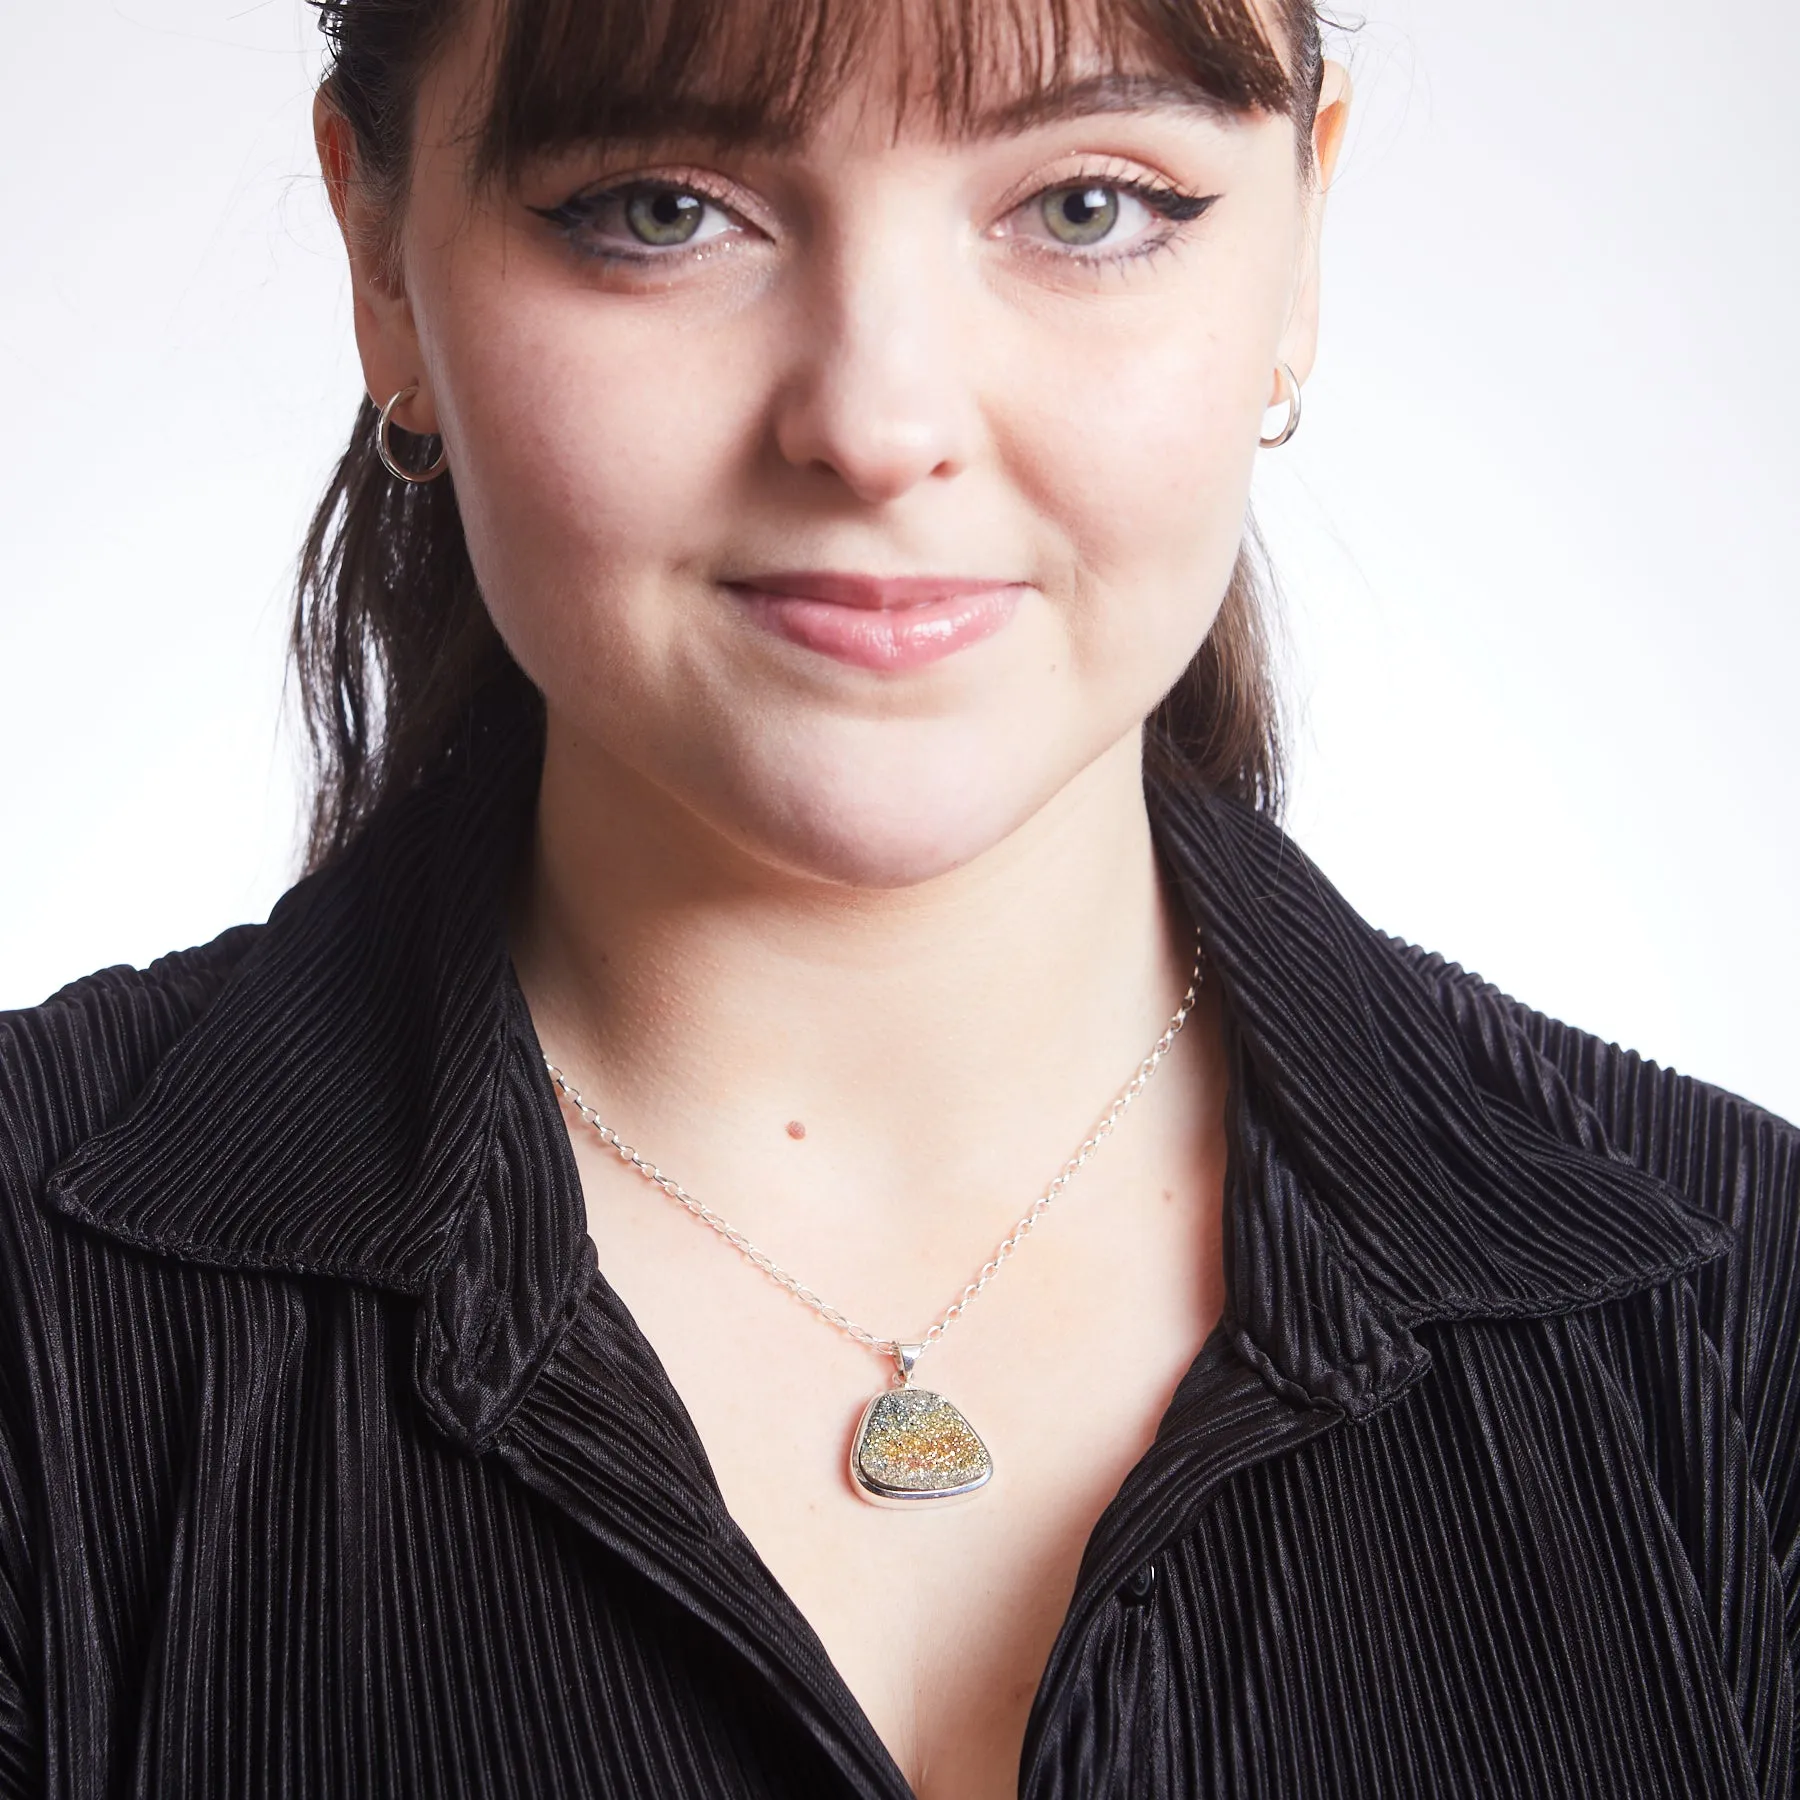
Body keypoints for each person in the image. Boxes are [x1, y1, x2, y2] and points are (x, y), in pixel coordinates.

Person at [1, 0, 1794, 1794]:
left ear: (1298, 246)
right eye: (661, 207)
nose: (877, 422)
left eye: (1089, 205)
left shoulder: (1741, 1315)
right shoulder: (37, 1315)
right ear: (382, 260)